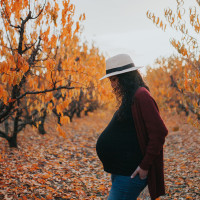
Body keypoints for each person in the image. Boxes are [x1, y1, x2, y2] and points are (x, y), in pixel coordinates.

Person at [96, 54, 168, 200]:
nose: (112, 85)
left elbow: (159, 132)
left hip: (131, 173)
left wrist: (144, 166)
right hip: (121, 172)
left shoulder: (141, 95)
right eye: (111, 80)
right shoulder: (130, 97)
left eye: (114, 79)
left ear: (126, 77)